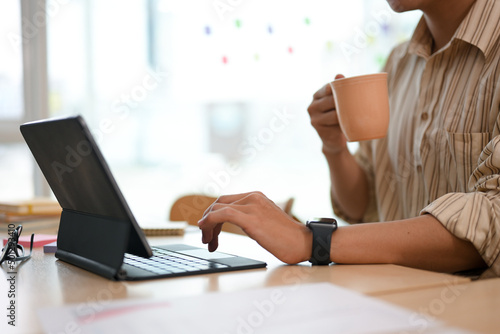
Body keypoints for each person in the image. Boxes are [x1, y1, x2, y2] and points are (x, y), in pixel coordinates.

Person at [198, 0, 500, 278]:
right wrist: (335, 147)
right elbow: (364, 205)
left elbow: (492, 221)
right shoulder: (399, 63)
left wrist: (312, 240)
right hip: (391, 296)